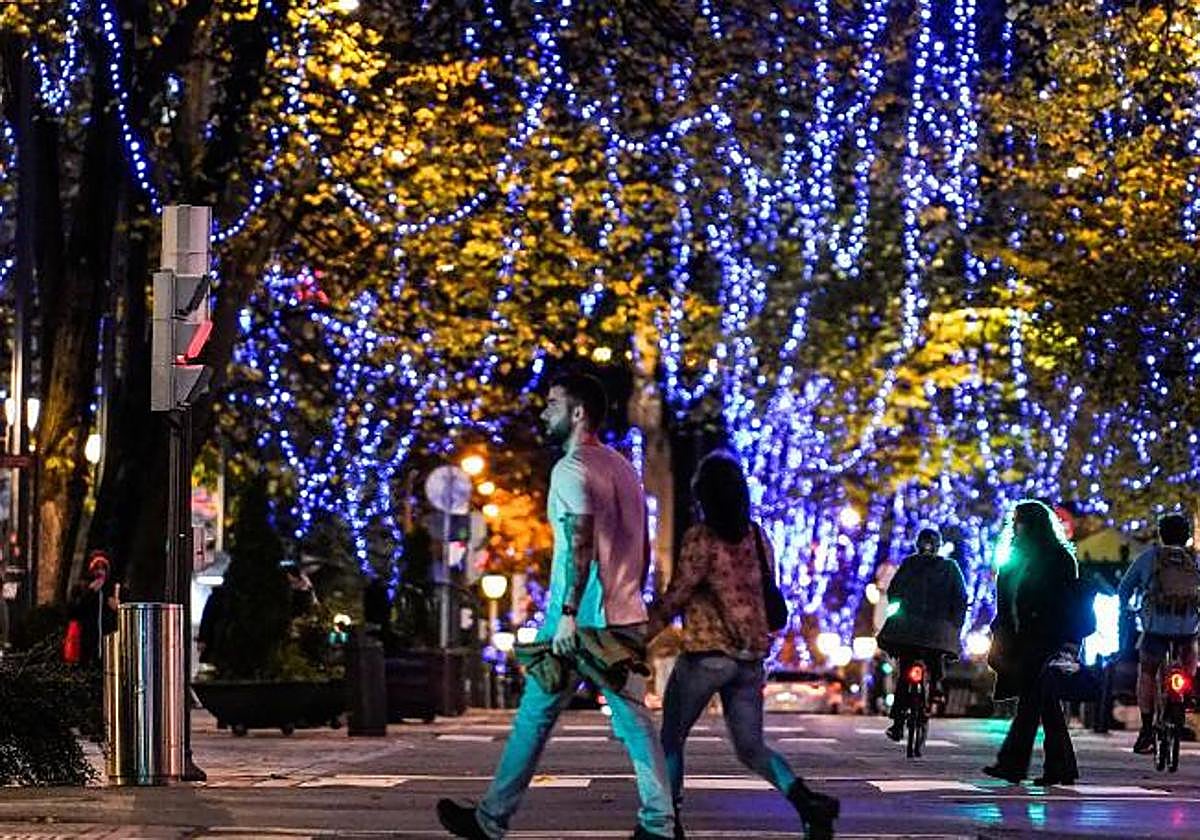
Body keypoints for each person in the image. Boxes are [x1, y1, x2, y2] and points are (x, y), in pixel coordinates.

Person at [437, 373, 675, 840]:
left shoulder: (571, 468)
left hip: (579, 623)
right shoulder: (624, 468)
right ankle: (660, 822)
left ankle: (491, 820)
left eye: (552, 404)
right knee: (634, 722)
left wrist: (566, 614)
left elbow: (579, 540)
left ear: (578, 413)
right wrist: (633, 599)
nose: (544, 413)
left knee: (535, 718)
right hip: (622, 616)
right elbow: (643, 549)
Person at [647, 451, 839, 840]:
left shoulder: (701, 537)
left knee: (671, 737)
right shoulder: (757, 536)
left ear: (703, 494)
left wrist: (640, 635)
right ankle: (808, 804)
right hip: (750, 658)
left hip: (707, 655)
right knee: (751, 748)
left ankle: (667, 820)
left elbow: (678, 595)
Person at [984, 500, 1081, 786]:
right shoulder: (1015, 558)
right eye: (1014, 521)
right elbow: (1005, 600)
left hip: (1047, 637)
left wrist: (1066, 640)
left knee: (1032, 701)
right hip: (1021, 638)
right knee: (1044, 702)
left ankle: (1014, 764)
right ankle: (1060, 767)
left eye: (1021, 521)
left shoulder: (1057, 558)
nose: (1015, 526)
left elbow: (1064, 601)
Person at [1117, 512, 1200, 754]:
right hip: (1187, 628)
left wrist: (1127, 608)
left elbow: (1125, 588)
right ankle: (1186, 693)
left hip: (1156, 628)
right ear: (1186, 536)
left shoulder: (1149, 557)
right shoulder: (1195, 560)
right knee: (1191, 649)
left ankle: (1146, 731)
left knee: (1147, 672)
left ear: (1161, 535)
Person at [876, 527, 967, 742]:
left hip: (907, 630)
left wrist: (901, 608)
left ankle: (898, 724)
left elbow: (894, 591)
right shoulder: (950, 567)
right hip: (939, 630)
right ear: (938, 546)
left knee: (904, 674)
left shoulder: (909, 564)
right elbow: (960, 597)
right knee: (936, 655)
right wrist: (955, 621)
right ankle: (936, 688)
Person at [67, 550, 120, 667]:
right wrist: (90, 592)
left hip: (108, 645)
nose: (100, 572)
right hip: (86, 644)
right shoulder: (81, 588)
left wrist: (118, 608)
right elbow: (73, 612)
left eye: (103, 568)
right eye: (97, 568)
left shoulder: (113, 589)